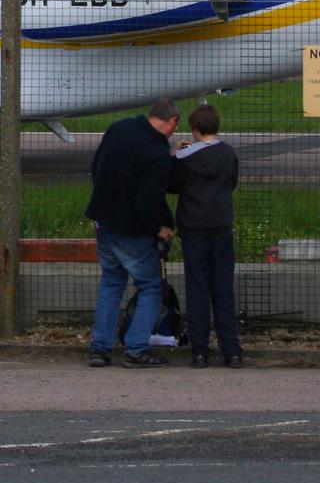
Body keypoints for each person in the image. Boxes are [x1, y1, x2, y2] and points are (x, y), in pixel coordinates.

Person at [85, 97, 179, 368]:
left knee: (111, 283)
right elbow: (147, 202)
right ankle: (136, 349)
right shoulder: (157, 153)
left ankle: (100, 349)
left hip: (103, 220)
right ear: (172, 121)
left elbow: (96, 167)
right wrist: (158, 229)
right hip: (132, 231)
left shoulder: (119, 128)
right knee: (150, 287)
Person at [171, 104, 242, 369]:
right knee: (223, 290)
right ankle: (231, 351)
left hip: (193, 230)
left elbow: (172, 185)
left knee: (197, 290)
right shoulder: (228, 154)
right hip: (221, 228)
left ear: (195, 129)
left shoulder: (187, 157)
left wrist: (175, 153)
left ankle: (199, 352)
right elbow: (231, 182)